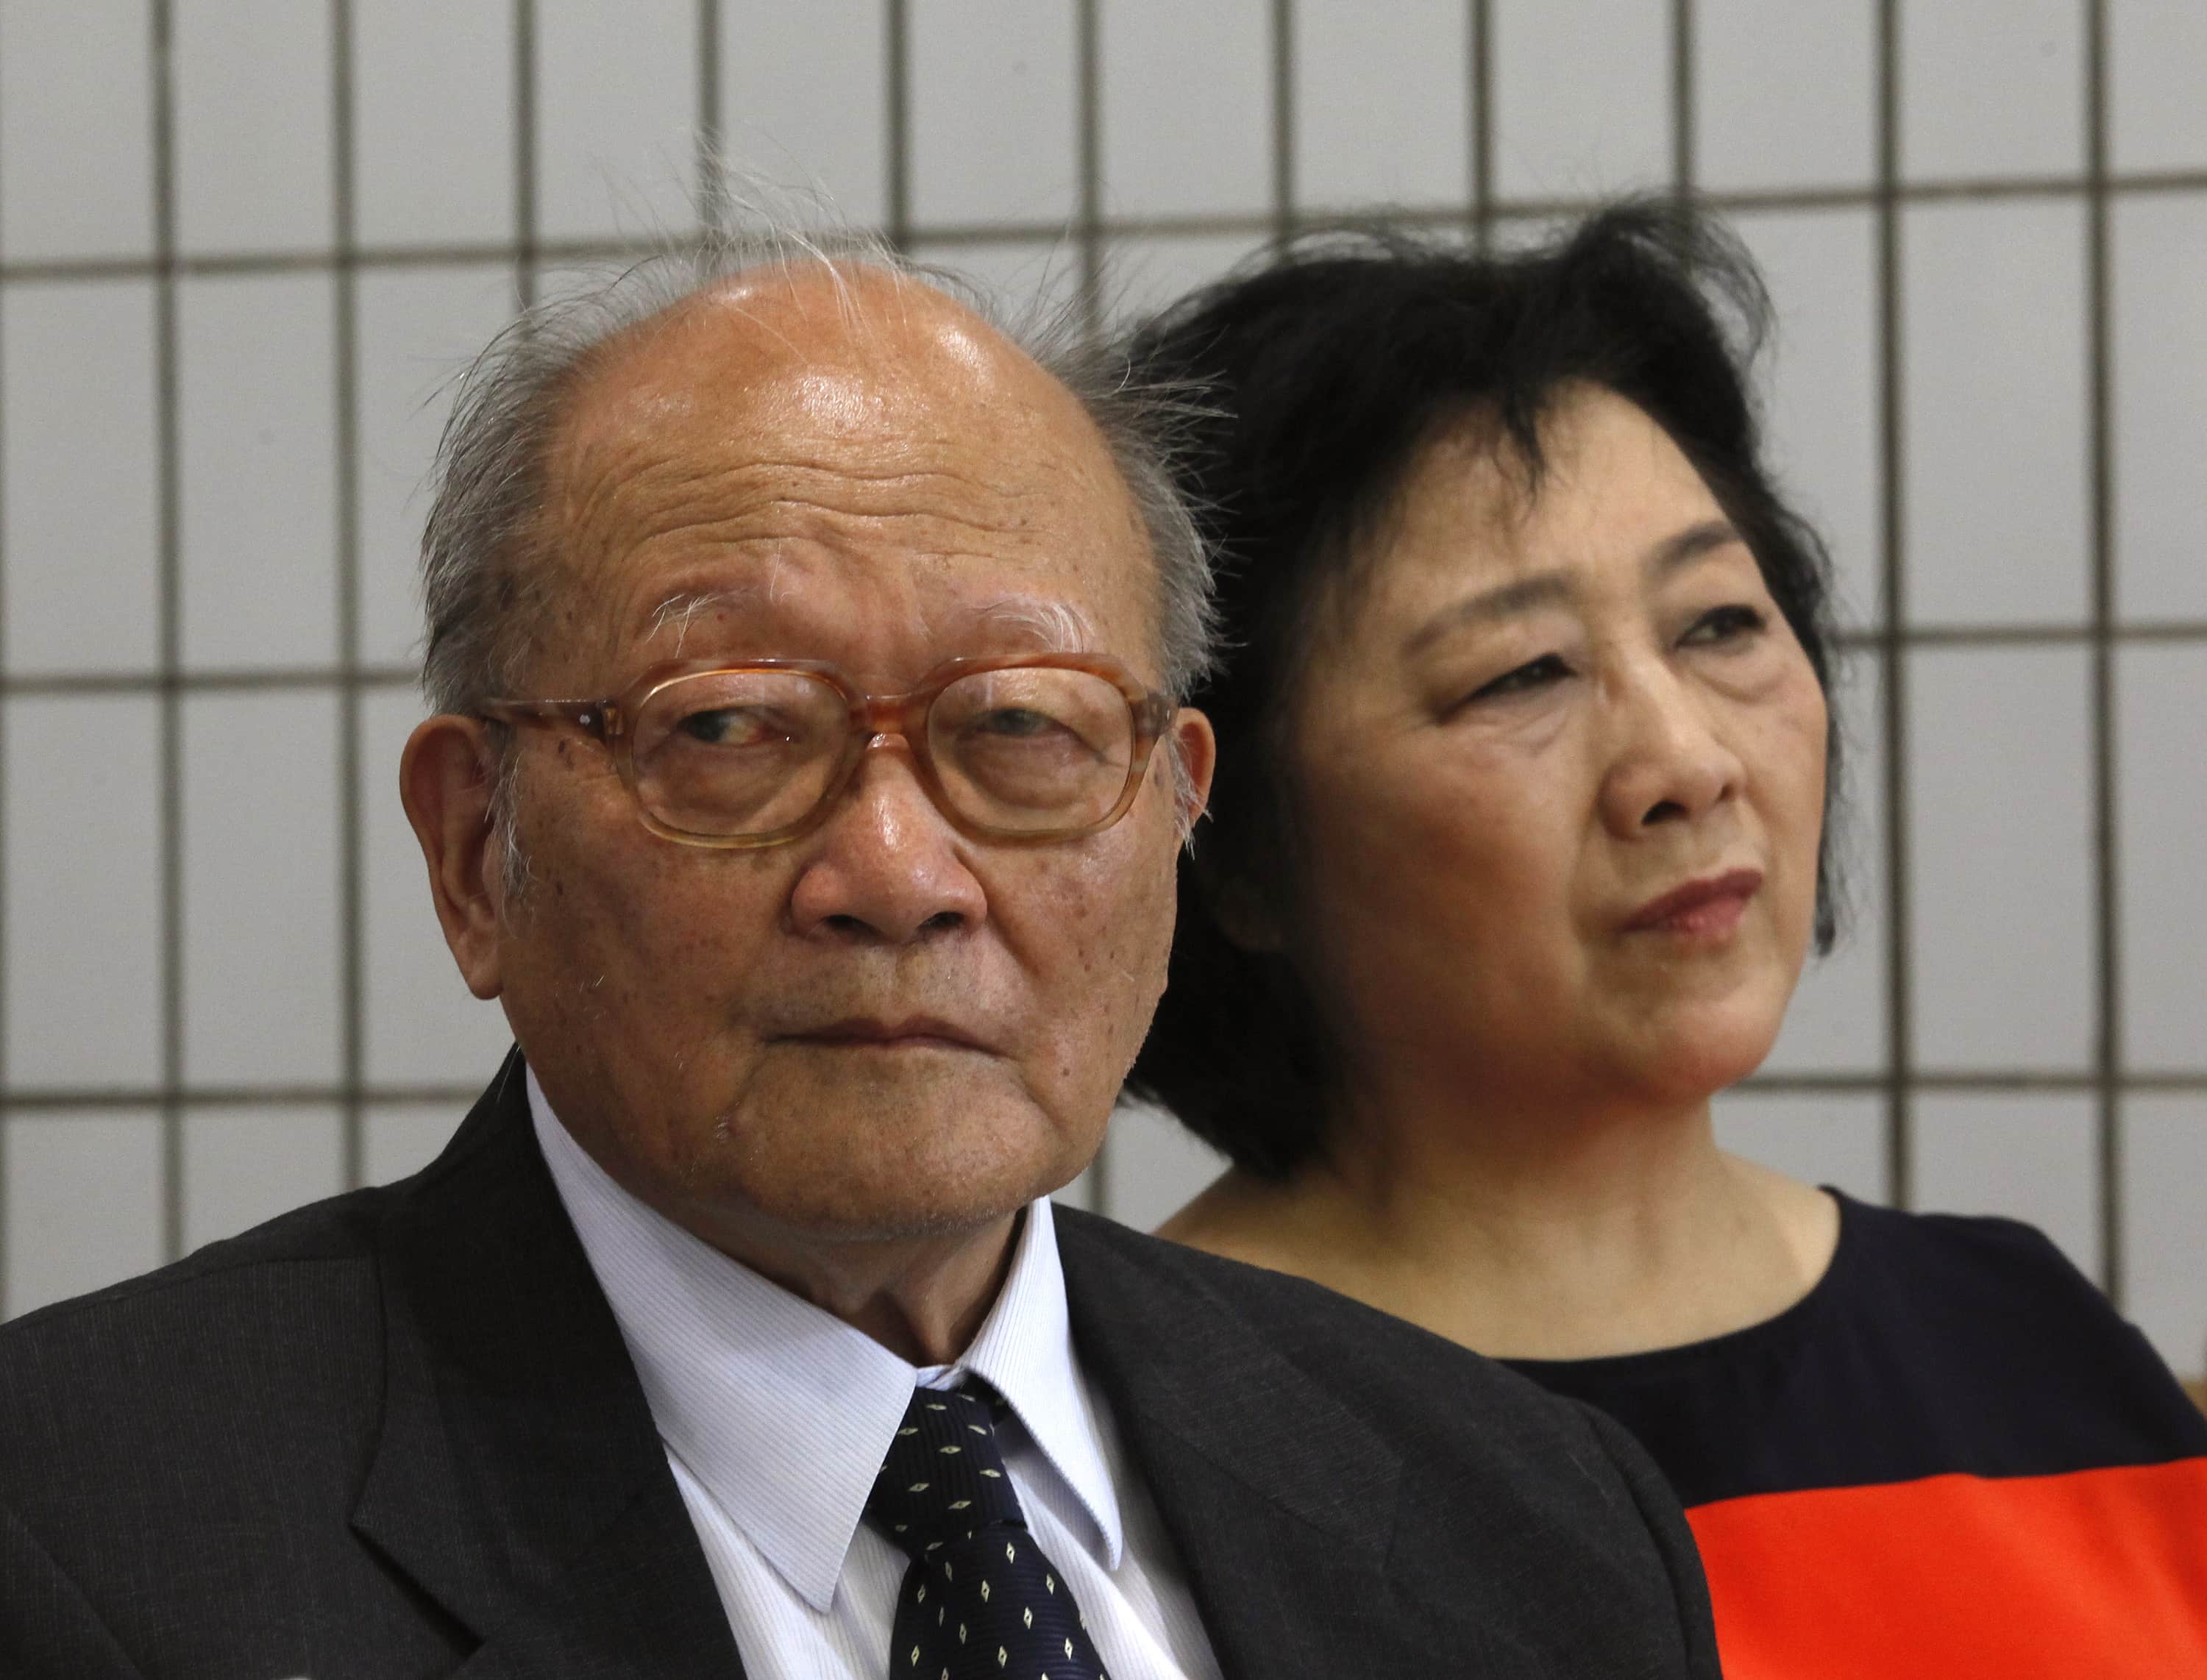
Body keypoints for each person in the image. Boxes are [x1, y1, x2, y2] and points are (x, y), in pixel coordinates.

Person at [0, 224, 1723, 1679]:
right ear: (474, 850)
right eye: (732, 729)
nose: (898, 873)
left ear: (1174, 815)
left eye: (1025, 729)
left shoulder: (1538, 1521)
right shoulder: (89, 1531)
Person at [1123, 203, 2207, 1679]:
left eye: (1718, 624)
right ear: (1226, 840)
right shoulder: (1125, 1444)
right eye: (1523, 673)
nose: (1687, 759)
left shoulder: (2026, 1355)